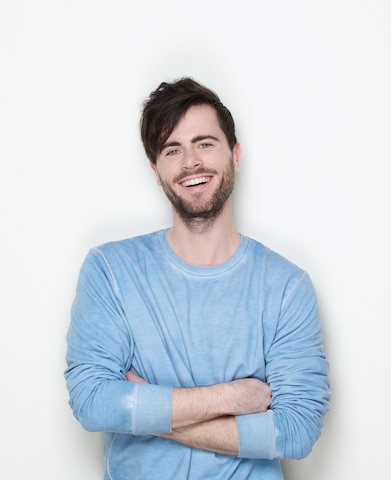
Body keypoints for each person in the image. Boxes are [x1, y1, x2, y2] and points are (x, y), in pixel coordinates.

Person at [64, 77, 330, 479]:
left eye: (205, 143)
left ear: (235, 155)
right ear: (156, 170)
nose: (191, 162)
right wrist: (231, 397)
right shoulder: (110, 270)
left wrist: (152, 415)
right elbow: (93, 401)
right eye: (173, 149)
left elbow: (294, 432)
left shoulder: (286, 288)